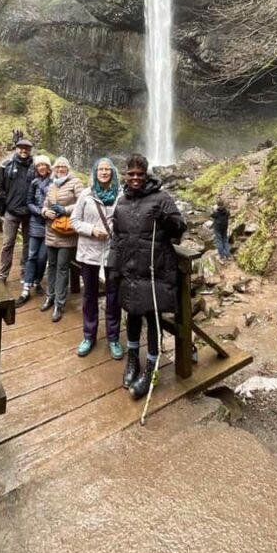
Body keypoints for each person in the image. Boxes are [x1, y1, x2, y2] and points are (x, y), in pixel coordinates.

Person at [108, 153, 186, 400]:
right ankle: (133, 361)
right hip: (129, 270)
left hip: (154, 271)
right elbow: (116, 238)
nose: (135, 178)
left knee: (152, 319)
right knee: (131, 315)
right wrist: (112, 267)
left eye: (139, 174)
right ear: (125, 175)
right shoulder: (121, 202)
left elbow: (180, 229)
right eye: (131, 174)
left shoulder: (161, 198)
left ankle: (151, 367)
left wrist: (167, 219)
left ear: (146, 174)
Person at [70, 158, 123, 360]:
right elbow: (74, 221)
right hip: (89, 253)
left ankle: (113, 338)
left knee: (113, 297)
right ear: (94, 172)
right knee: (89, 296)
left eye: (107, 169)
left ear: (113, 173)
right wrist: (91, 230)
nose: (104, 172)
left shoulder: (121, 195)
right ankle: (88, 336)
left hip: (112, 253)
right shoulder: (86, 194)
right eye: (100, 169)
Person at [41, 157, 83, 322]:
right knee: (51, 265)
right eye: (57, 167)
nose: (60, 169)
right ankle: (49, 296)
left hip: (66, 233)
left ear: (68, 168)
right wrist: (45, 212)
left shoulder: (75, 182)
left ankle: (59, 303)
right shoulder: (51, 184)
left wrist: (65, 210)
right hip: (51, 230)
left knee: (62, 267)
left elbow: (82, 203)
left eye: (63, 167)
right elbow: (45, 204)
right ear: (54, 169)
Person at [0, 139, 34, 284]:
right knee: (8, 243)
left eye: (27, 148)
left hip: (29, 214)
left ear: (30, 150)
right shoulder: (6, 166)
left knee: (28, 245)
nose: (24, 150)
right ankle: (3, 274)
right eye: (21, 148)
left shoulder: (35, 167)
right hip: (11, 212)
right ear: (16, 149)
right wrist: (7, 203)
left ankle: (24, 273)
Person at [17, 155, 52, 307]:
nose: (42, 167)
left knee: (42, 257)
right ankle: (26, 288)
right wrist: (40, 212)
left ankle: (37, 280)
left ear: (48, 167)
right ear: (37, 168)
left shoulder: (54, 182)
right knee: (31, 256)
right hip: (35, 223)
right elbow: (29, 202)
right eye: (39, 166)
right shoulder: (34, 183)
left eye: (44, 165)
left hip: (50, 226)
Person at [211, 197, 231, 262]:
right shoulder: (226, 211)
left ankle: (222, 256)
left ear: (217, 205)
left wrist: (214, 209)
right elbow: (228, 214)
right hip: (225, 227)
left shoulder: (216, 212)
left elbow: (212, 215)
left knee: (219, 241)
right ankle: (228, 255)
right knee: (225, 240)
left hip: (217, 228)